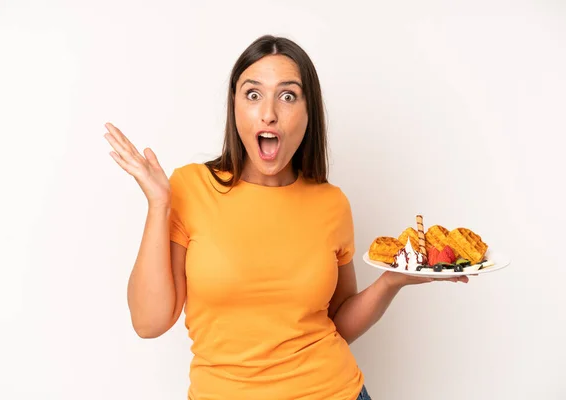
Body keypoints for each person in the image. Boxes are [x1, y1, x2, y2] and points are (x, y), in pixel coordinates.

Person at [103, 34, 468, 400]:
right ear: (234, 106)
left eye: (288, 95)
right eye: (253, 94)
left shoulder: (331, 203)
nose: (269, 113)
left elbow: (338, 321)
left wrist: (391, 281)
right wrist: (158, 206)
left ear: (309, 113)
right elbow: (148, 323)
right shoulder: (190, 188)